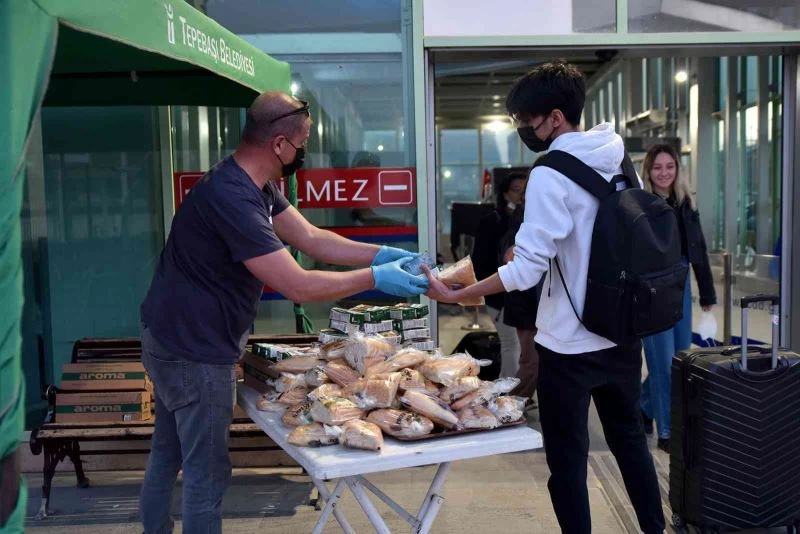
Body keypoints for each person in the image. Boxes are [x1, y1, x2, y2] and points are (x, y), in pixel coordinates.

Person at [138, 91, 427, 534]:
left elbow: (311, 238)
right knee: (206, 473)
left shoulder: (251, 183)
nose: (304, 151)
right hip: (194, 352)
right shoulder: (232, 197)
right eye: (302, 141)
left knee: (169, 452)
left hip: (170, 336)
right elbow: (298, 283)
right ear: (278, 144)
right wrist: (374, 277)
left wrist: (384, 252)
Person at [423, 60, 665, 534]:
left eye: (525, 121)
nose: (522, 130)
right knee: (631, 445)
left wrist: (463, 292)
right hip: (619, 331)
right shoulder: (615, 153)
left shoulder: (551, 173)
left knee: (568, 462)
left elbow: (527, 269)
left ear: (555, 118)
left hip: (568, 343)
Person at [639, 144, 716, 452]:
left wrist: (707, 290)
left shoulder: (685, 202)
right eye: (658, 167)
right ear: (648, 171)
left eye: (669, 166)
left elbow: (698, 249)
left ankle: (643, 407)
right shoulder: (640, 203)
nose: (664, 173)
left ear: (677, 169)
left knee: (678, 360)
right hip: (652, 291)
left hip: (681, 287)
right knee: (663, 366)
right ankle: (667, 431)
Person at [472, 172, 527, 378]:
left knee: (521, 346)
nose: (521, 194)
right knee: (511, 343)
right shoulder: (493, 221)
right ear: (504, 194)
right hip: (499, 293)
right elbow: (480, 261)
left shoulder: (529, 219)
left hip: (521, 294)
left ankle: (511, 392)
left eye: (525, 190)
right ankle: (508, 395)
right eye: (516, 190)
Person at [498, 181, 543, 405]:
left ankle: (516, 402)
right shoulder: (522, 220)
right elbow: (509, 257)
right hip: (527, 306)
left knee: (535, 361)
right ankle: (512, 404)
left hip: (542, 305)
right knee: (531, 362)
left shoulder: (541, 217)